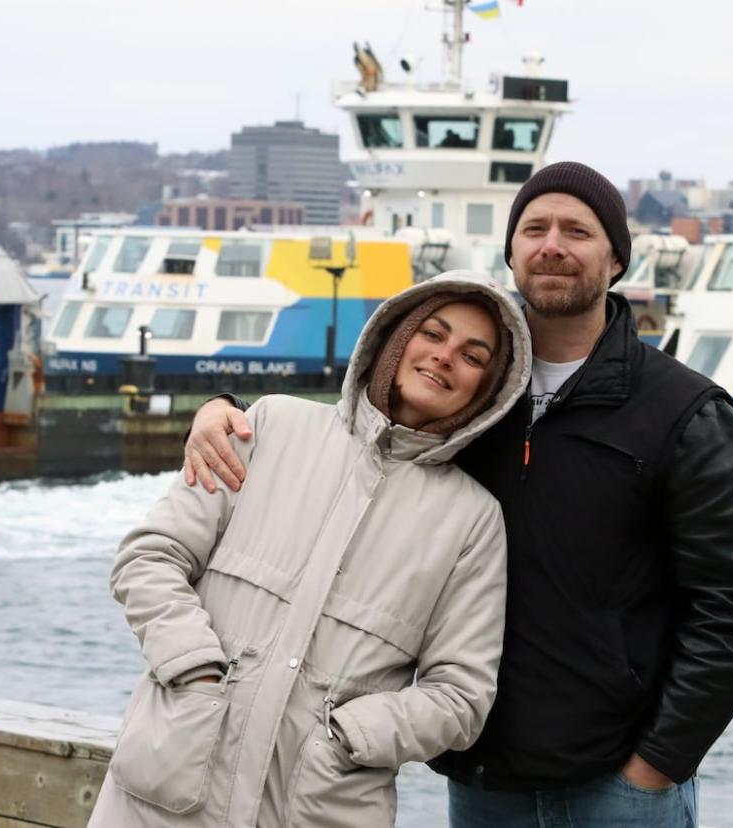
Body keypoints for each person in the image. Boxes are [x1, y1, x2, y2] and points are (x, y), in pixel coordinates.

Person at [182, 162, 733, 827]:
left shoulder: (682, 411)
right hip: (484, 779)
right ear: (512, 253)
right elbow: (358, 434)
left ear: (616, 259)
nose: (553, 244)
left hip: (620, 788)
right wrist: (224, 411)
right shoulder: (470, 392)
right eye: (535, 228)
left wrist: (658, 763)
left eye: (577, 231)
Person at [89, 272, 533, 827]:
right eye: (433, 334)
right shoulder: (270, 425)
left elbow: (461, 697)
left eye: (473, 356)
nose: (445, 357)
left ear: (487, 390)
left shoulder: (472, 521)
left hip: (320, 808)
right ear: (395, 339)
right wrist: (196, 670)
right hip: (168, 790)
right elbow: (150, 557)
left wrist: (349, 734)